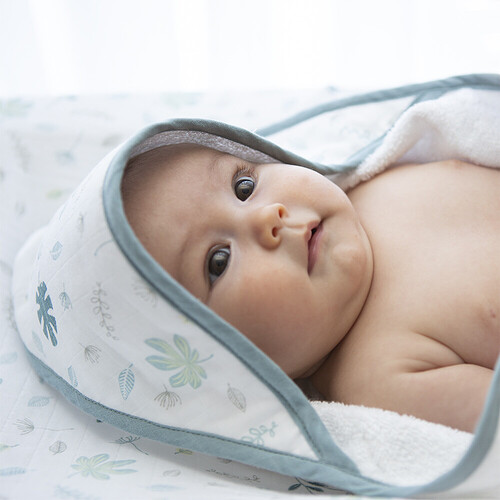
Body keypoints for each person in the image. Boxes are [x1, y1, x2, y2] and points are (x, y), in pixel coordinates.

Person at [121, 142, 500, 433]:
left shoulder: (374, 173)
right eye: (218, 261)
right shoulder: (377, 378)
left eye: (244, 186)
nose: (267, 217)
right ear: (224, 367)